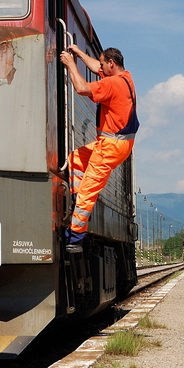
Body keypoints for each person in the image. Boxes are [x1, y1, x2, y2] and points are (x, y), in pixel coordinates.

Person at [58, 45, 138, 253]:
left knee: (88, 191)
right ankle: (76, 203)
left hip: (110, 145)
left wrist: (70, 64)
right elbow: (96, 66)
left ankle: (75, 239)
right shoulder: (125, 78)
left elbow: (82, 88)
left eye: (103, 64)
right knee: (76, 158)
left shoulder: (112, 84)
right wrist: (79, 52)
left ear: (111, 64)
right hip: (119, 142)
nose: (99, 67)